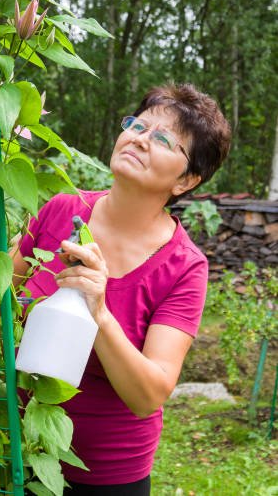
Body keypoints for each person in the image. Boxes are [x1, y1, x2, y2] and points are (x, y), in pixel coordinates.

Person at [12, 83, 231, 495]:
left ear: (186, 180)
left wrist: (100, 311)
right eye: (137, 125)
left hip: (104, 475)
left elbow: (149, 394)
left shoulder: (184, 267)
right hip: (10, 446)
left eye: (164, 139)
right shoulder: (61, 209)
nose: (140, 139)